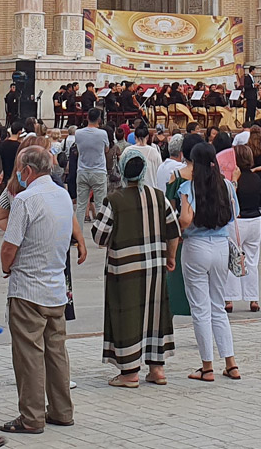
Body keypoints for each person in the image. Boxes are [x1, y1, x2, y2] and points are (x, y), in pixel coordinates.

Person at [1, 144, 84, 432]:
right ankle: (62, 410)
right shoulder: (62, 195)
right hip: (55, 287)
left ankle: (32, 416)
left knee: (29, 355)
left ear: (27, 170)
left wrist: (6, 267)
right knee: (56, 351)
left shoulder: (25, 199)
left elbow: (10, 246)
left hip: (28, 288)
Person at [92, 147, 179, 388]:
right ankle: (157, 369)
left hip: (125, 269)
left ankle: (129, 373)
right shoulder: (158, 196)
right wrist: (170, 257)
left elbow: (99, 237)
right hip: (156, 268)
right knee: (156, 315)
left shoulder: (114, 200)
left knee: (127, 315)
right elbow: (174, 230)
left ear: (122, 171)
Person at [176, 144, 238, 382]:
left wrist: (178, 230)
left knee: (200, 309)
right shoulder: (227, 186)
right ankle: (231, 362)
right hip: (221, 245)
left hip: (196, 246)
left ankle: (207, 366)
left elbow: (185, 217)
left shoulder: (188, 187)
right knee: (218, 306)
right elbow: (233, 216)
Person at [230, 143, 261, 312]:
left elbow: (231, 200)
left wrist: (233, 182)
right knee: (252, 260)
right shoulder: (256, 178)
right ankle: (253, 298)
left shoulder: (234, 180)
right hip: (255, 220)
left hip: (238, 220)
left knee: (233, 259)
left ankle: (229, 298)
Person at [71, 108, 110, 224]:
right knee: (100, 206)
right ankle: (100, 237)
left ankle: (79, 238)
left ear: (87, 117)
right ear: (99, 119)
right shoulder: (103, 134)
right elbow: (106, 149)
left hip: (83, 170)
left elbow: (78, 149)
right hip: (98, 171)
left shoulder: (78, 133)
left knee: (81, 206)